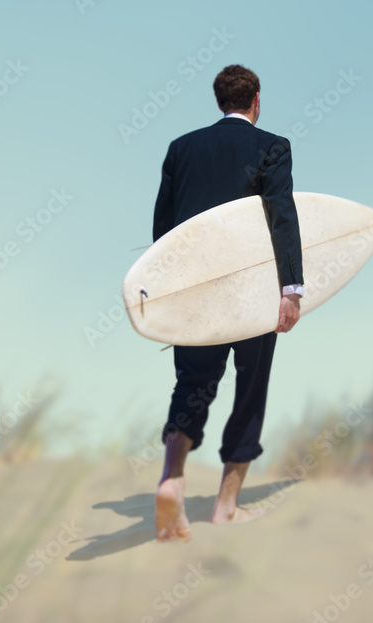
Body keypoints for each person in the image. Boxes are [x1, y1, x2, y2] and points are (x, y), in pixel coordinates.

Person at [151, 64, 305, 541]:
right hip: (253, 290)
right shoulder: (272, 146)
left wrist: (167, 289)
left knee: (192, 381)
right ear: (256, 100)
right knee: (250, 387)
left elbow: (164, 228)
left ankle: (172, 480)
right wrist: (291, 289)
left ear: (219, 102)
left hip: (196, 290)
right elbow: (282, 215)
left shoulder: (182, 148)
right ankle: (226, 506)